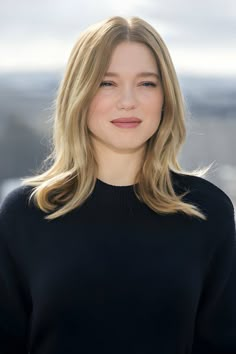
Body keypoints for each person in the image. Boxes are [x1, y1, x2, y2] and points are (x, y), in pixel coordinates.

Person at [0, 15, 235, 354]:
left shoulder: (207, 211)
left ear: (165, 96)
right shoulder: (25, 213)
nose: (128, 100)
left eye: (147, 83)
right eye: (106, 83)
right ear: (78, 94)